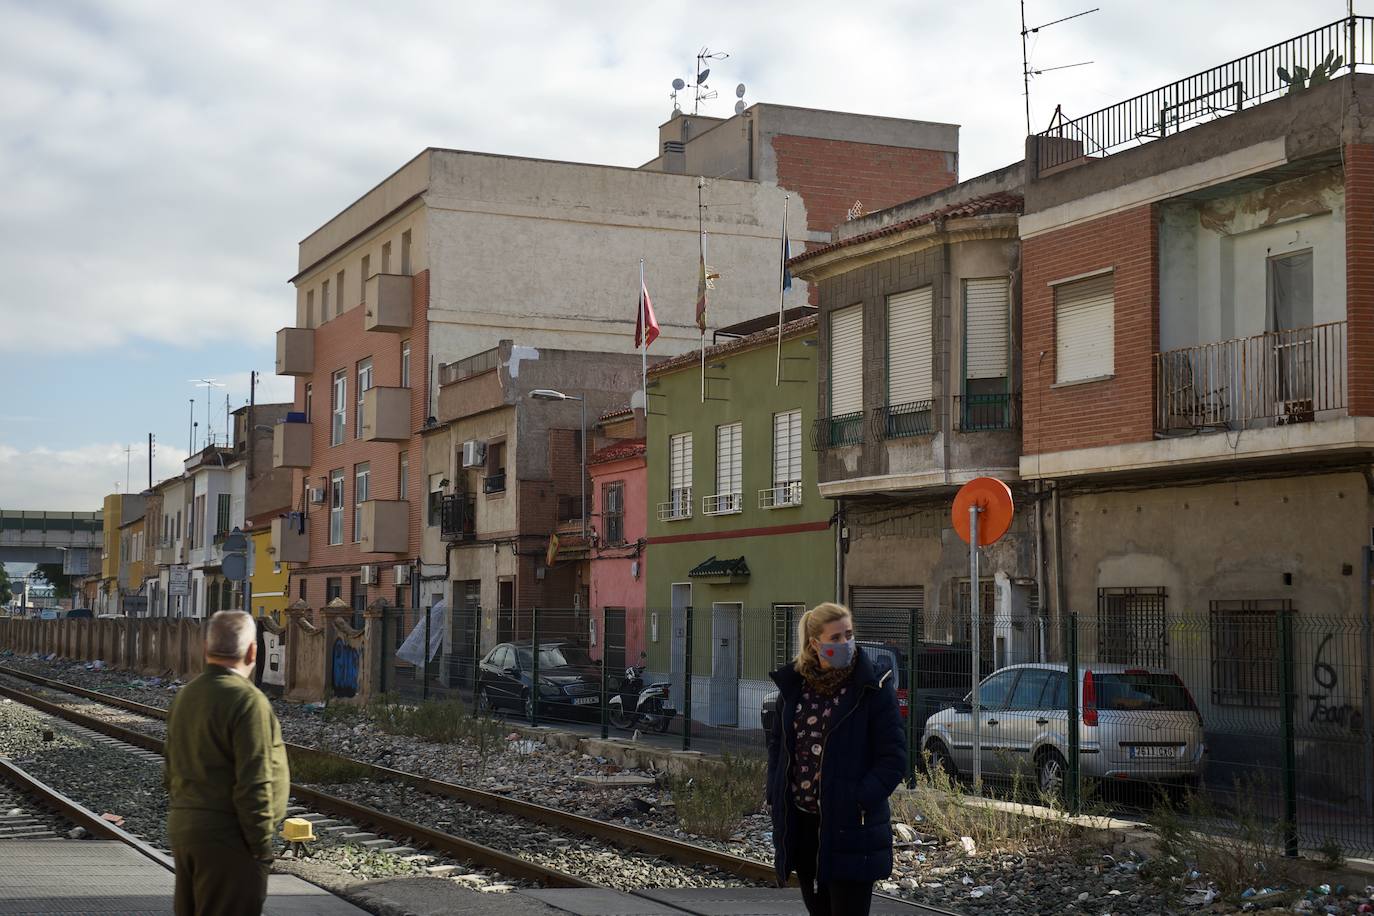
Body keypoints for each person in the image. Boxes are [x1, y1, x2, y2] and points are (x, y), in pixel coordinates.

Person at [766, 602, 907, 916]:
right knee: (818, 909)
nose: (846, 644)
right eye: (836, 637)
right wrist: (774, 790)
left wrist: (858, 799)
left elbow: (894, 758)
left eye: (849, 634)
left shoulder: (872, 688)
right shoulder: (795, 688)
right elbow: (778, 744)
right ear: (816, 644)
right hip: (802, 826)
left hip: (850, 827)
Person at [165, 610, 290, 916]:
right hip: (229, 838)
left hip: (186, 831)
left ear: (206, 649)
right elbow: (255, 781)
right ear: (252, 651)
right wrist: (260, 848)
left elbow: (169, 770)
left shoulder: (186, 695)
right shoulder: (247, 700)